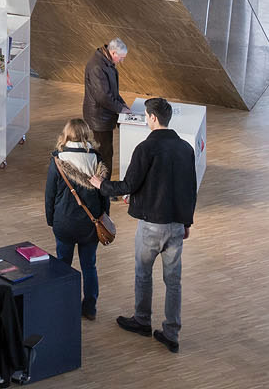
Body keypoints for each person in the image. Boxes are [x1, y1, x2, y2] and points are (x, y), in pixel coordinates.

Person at [104, 97, 198, 354]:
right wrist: (186, 222)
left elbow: (128, 186)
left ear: (153, 118)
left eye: (146, 116)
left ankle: (142, 320)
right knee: (173, 281)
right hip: (177, 224)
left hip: (151, 226)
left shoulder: (146, 148)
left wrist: (99, 184)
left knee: (143, 273)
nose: (146, 119)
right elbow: (190, 189)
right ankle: (171, 333)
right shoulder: (185, 149)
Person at [45, 118, 109, 321]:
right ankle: (90, 307)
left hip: (64, 223)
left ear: (66, 135)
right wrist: (103, 218)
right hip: (90, 225)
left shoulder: (58, 160)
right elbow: (104, 195)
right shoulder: (97, 160)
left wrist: (51, 220)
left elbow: (50, 194)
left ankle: (62, 303)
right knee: (89, 266)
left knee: (62, 264)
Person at [81, 37, 127, 174]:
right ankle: (103, 187)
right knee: (104, 153)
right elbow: (103, 97)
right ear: (113, 53)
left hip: (104, 114)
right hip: (99, 118)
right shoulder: (97, 67)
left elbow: (112, 91)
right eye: (121, 57)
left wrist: (123, 105)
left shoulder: (106, 62)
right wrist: (120, 108)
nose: (122, 61)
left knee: (106, 151)